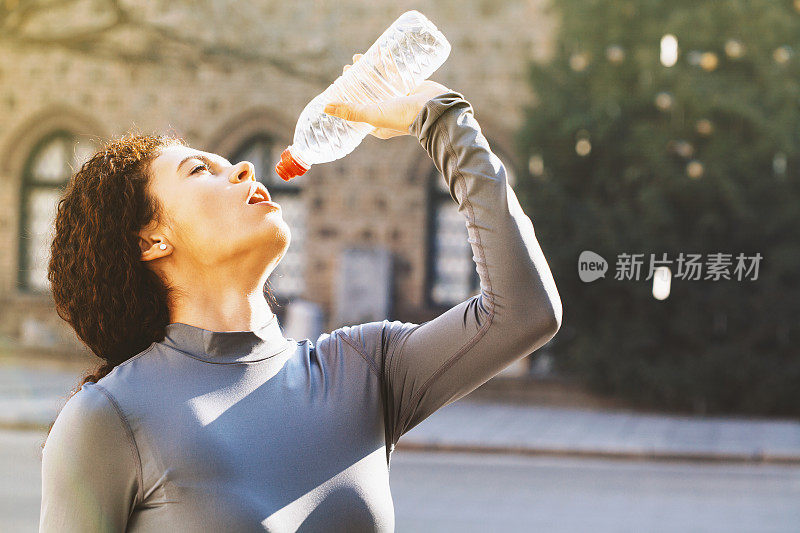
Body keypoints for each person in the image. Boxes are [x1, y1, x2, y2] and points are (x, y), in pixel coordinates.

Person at [39, 53, 562, 532]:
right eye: (200, 169)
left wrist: (442, 119)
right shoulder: (107, 418)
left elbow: (522, 313)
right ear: (152, 239)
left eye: (228, 161)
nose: (242, 167)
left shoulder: (364, 369)